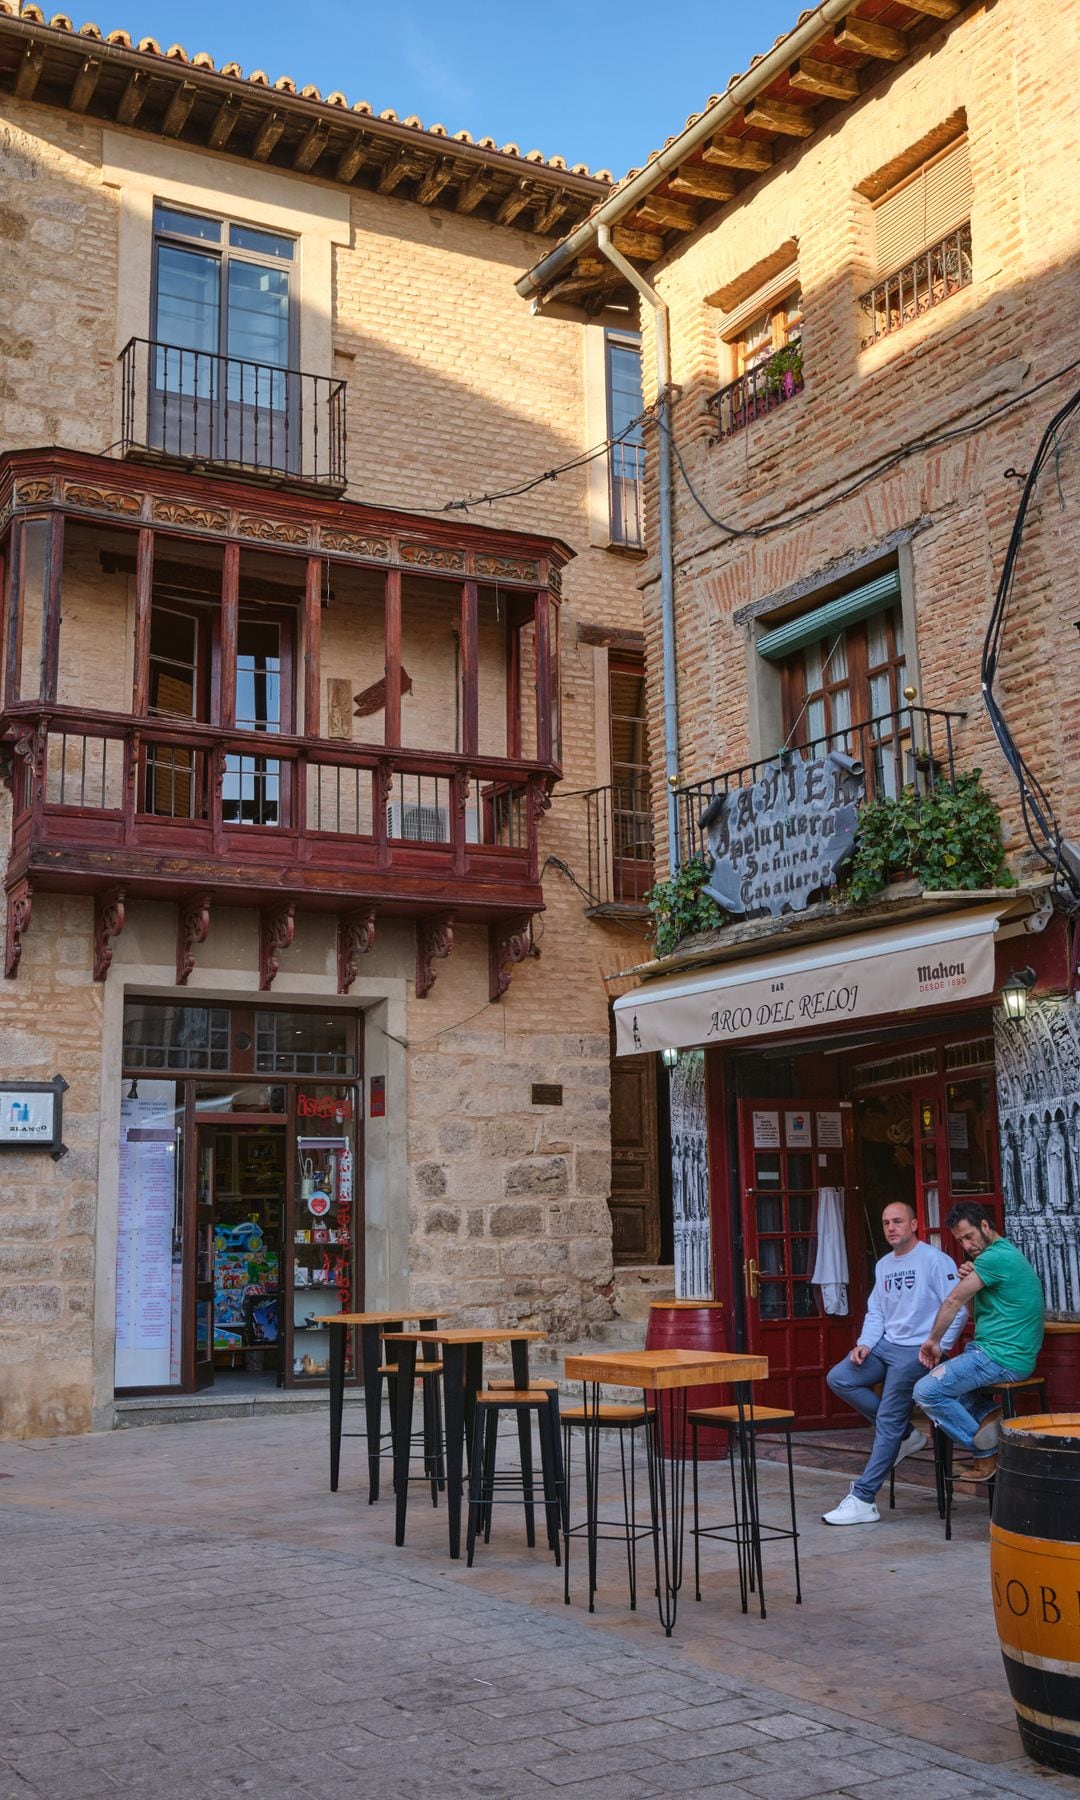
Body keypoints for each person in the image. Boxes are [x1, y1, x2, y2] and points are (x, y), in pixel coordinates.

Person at [822, 1200, 967, 1526]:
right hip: (886, 1345)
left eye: (898, 1221)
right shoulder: (884, 1264)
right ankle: (904, 1434)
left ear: (914, 1224)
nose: (891, 1227)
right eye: (886, 1222)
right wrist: (864, 1344)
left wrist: (939, 1346)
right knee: (840, 1377)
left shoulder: (934, 1260)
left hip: (919, 1349)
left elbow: (957, 1307)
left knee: (888, 1413)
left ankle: (863, 1498)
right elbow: (877, 1312)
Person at [913, 1200, 1045, 1480]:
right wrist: (970, 1281)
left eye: (969, 1236)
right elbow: (971, 1312)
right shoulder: (993, 1259)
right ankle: (990, 1416)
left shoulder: (995, 1257)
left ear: (985, 1226)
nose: (967, 1245)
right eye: (960, 1240)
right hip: (995, 1354)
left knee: (925, 1391)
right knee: (941, 1377)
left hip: (1001, 1357)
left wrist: (933, 1341)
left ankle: (987, 1456)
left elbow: (953, 1300)